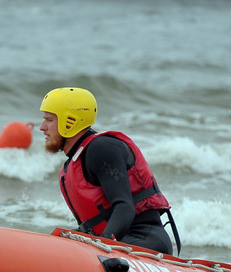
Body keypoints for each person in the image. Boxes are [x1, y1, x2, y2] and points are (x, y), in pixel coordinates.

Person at [39, 87, 180, 255]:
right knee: (55, 244)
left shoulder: (102, 149)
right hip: (118, 242)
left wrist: (102, 246)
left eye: (49, 120)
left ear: (70, 121)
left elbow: (124, 207)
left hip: (144, 241)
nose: (42, 127)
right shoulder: (75, 161)